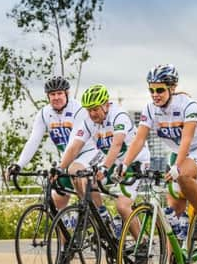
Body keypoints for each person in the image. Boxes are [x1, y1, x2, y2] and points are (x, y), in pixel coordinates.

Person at [118, 64, 197, 264]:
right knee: (173, 213)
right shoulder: (150, 109)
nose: (155, 95)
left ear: (172, 88)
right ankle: (175, 263)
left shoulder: (188, 105)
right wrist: (125, 164)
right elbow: (138, 140)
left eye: (160, 90)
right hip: (180, 154)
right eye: (152, 90)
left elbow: (187, 139)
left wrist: (177, 168)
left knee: (183, 177)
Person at [58, 84, 150, 238]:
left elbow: (117, 144)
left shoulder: (119, 116)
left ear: (106, 105)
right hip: (113, 161)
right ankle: (100, 215)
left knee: (122, 206)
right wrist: (60, 168)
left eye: (95, 109)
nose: (92, 114)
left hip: (134, 162)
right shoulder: (88, 121)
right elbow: (74, 147)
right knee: (79, 174)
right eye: (89, 110)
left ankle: (141, 244)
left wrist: (104, 168)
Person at [6, 76, 97, 210]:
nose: (56, 97)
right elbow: (33, 141)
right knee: (55, 207)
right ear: (48, 96)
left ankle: (94, 213)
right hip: (68, 160)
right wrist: (19, 164)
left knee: (75, 172)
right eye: (52, 94)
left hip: (88, 153)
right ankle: (65, 226)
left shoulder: (79, 110)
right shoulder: (44, 113)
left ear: (67, 94)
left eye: (59, 93)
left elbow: (73, 145)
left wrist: (60, 167)